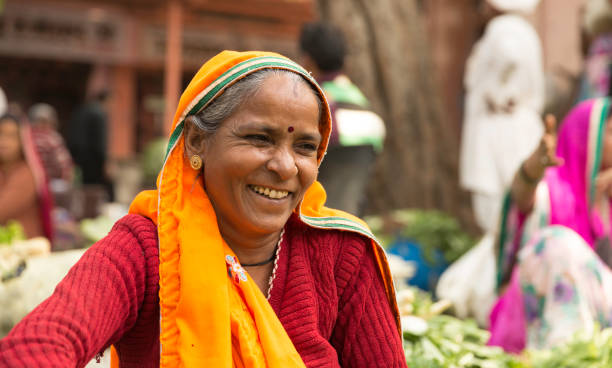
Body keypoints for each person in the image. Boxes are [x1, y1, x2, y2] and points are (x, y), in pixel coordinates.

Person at [0, 51, 406, 367]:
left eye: (304, 147)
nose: (285, 166)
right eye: (260, 138)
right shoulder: (146, 251)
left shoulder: (344, 255)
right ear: (196, 142)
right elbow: (40, 344)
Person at [438, 0, 545, 326]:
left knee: (499, 219)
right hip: (512, 132)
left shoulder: (504, 28)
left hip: (501, 135)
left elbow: (512, 60)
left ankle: (491, 305)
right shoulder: (524, 30)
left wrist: (502, 92)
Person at [489, 97, 612, 352]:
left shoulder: (607, 200)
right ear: (585, 136)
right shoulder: (555, 188)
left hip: (602, 327)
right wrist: (531, 171)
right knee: (556, 243)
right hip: (538, 321)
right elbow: (522, 199)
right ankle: (565, 353)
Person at [299, 21, 385, 216]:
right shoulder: (365, 109)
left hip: (310, 219)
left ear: (307, 60)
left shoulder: (309, 103)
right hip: (349, 221)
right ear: (344, 61)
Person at [0, 113, 53, 241]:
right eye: (0, 134)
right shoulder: (4, 170)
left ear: (23, 141)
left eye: (11, 136)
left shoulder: (27, 174)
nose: (4, 141)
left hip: (24, 248)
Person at [67, 89, 112, 200]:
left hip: (79, 157)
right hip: (94, 158)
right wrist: (106, 162)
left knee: (83, 187)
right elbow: (100, 141)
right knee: (95, 189)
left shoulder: (82, 110)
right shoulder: (99, 114)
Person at [28, 103, 74, 183]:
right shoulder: (52, 138)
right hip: (50, 184)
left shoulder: (26, 137)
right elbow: (64, 166)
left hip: (31, 182)